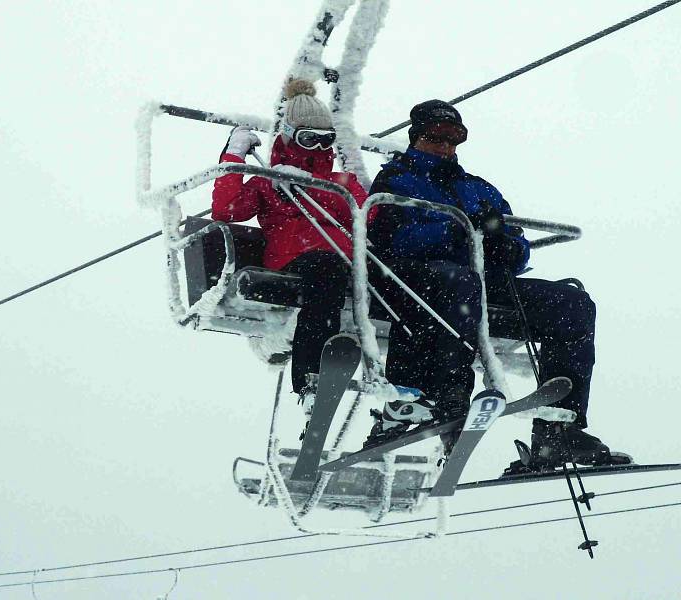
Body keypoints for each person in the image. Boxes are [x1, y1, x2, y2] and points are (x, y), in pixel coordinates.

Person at [368, 99, 626, 471]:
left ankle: (558, 429)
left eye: (454, 136)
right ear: (415, 136)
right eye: (435, 136)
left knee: (571, 304)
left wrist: (506, 245)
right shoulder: (395, 180)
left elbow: (516, 243)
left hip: (480, 285)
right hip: (420, 283)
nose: (444, 144)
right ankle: (449, 395)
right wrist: (459, 233)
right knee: (461, 282)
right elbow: (391, 238)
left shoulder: (478, 188)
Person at [211, 79, 370, 425]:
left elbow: (368, 215)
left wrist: (315, 187)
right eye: (307, 138)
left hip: (343, 261)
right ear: (287, 135)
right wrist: (235, 155)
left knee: (385, 277)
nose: (316, 148)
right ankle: (310, 377)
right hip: (296, 259)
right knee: (326, 272)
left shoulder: (342, 183)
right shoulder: (268, 181)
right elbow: (226, 211)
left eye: (325, 140)